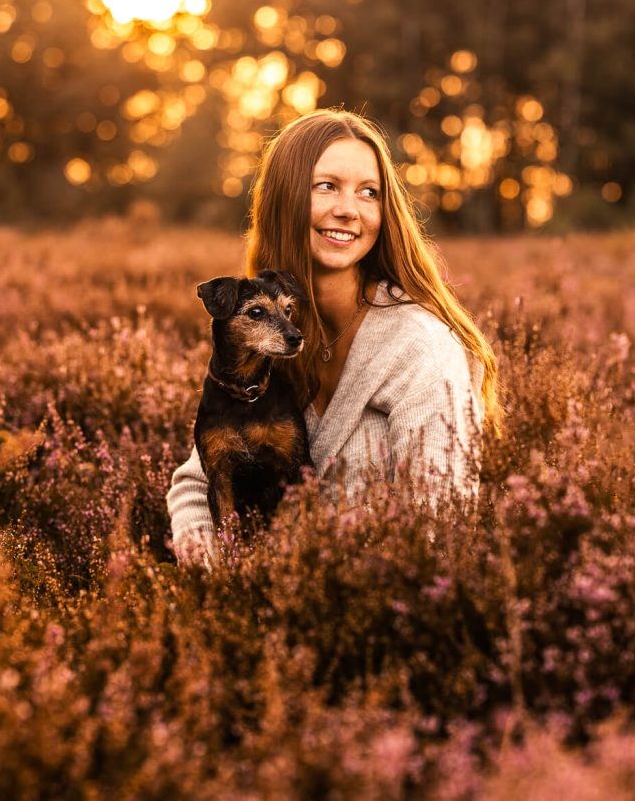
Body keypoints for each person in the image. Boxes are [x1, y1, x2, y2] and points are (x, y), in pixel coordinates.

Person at [167, 109, 501, 565]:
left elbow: (438, 528)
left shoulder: (420, 348)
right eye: (327, 186)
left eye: (369, 192)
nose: (349, 208)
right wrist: (221, 586)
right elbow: (196, 485)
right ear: (284, 200)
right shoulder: (269, 341)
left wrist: (316, 598)